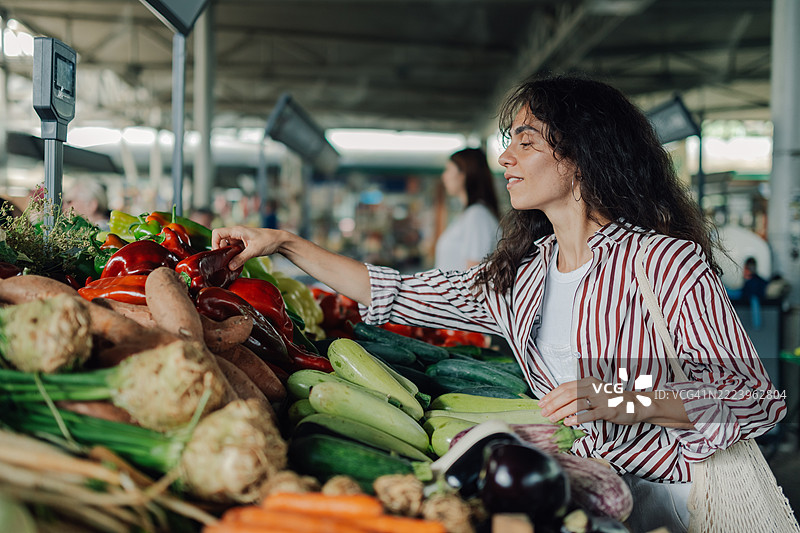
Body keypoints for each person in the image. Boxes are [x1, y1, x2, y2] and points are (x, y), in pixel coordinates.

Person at [211, 75, 785, 532]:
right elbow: (396, 291)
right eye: (508, 143)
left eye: (526, 142)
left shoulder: (660, 263)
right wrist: (285, 243)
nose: (506, 158)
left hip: (686, 505)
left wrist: (618, 397)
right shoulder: (524, 277)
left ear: (581, 156)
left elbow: (752, 396)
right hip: (593, 502)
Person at [434, 148, 500, 270]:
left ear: (463, 174)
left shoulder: (477, 215)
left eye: (448, 170)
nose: (444, 177)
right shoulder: (470, 214)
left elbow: (474, 275)